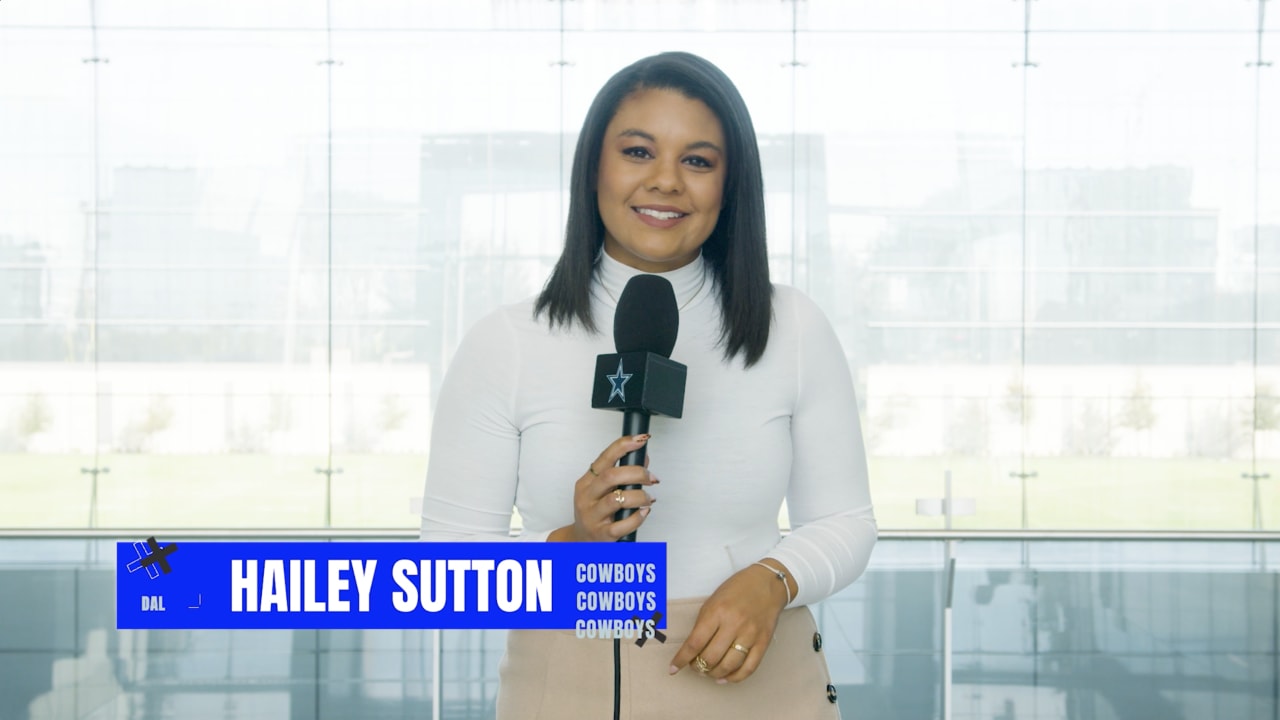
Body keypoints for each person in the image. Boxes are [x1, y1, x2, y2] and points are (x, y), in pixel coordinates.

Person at [420, 51, 876, 719]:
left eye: (697, 160)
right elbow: (448, 572)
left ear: (730, 185)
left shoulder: (793, 328)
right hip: (566, 682)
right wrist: (571, 550)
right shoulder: (506, 343)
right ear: (595, 169)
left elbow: (845, 521)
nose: (665, 181)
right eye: (638, 151)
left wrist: (774, 581)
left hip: (761, 683)